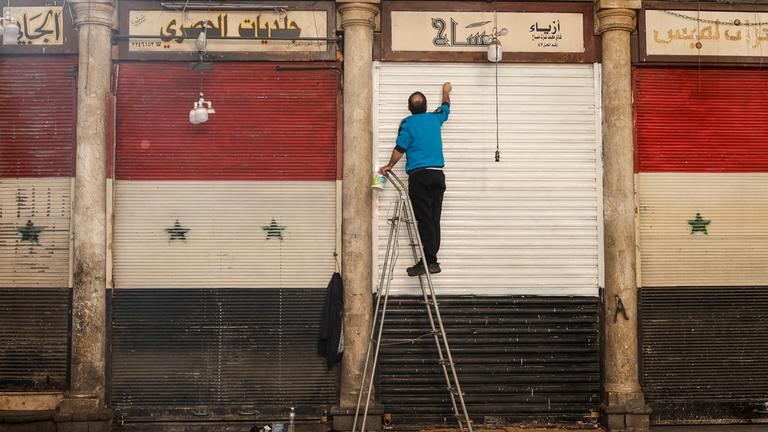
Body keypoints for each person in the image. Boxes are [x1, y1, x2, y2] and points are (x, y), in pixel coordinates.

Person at [379, 82, 452, 277]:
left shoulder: (408, 124)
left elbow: (400, 149)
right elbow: (446, 107)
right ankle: (431, 260)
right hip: (438, 175)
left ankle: (430, 261)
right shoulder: (435, 118)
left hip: (420, 178)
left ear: (409, 108)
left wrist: (389, 166)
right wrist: (446, 91)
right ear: (426, 107)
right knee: (434, 219)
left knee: (424, 220)